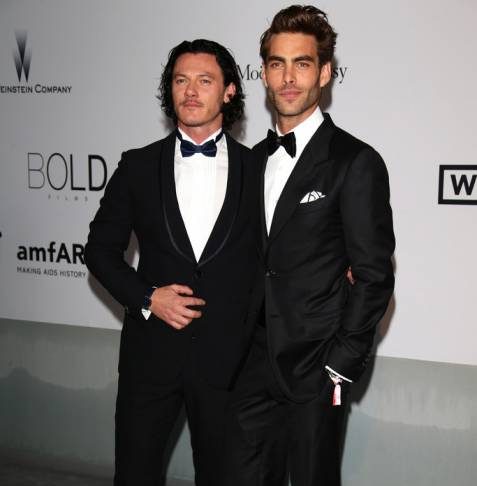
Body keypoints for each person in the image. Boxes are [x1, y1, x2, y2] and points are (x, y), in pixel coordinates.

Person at [223, 5, 395, 486]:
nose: (288, 78)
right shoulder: (252, 161)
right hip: (251, 363)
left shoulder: (354, 162)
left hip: (316, 366)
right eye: (277, 64)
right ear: (263, 74)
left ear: (323, 73)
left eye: (301, 63)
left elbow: (375, 275)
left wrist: (340, 364)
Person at [85, 39, 259, 486]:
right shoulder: (137, 166)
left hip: (229, 362)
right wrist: (148, 297)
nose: (191, 91)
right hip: (150, 359)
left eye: (205, 81)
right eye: (181, 80)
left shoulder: (259, 169)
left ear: (229, 91)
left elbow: (283, 252)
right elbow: (99, 251)